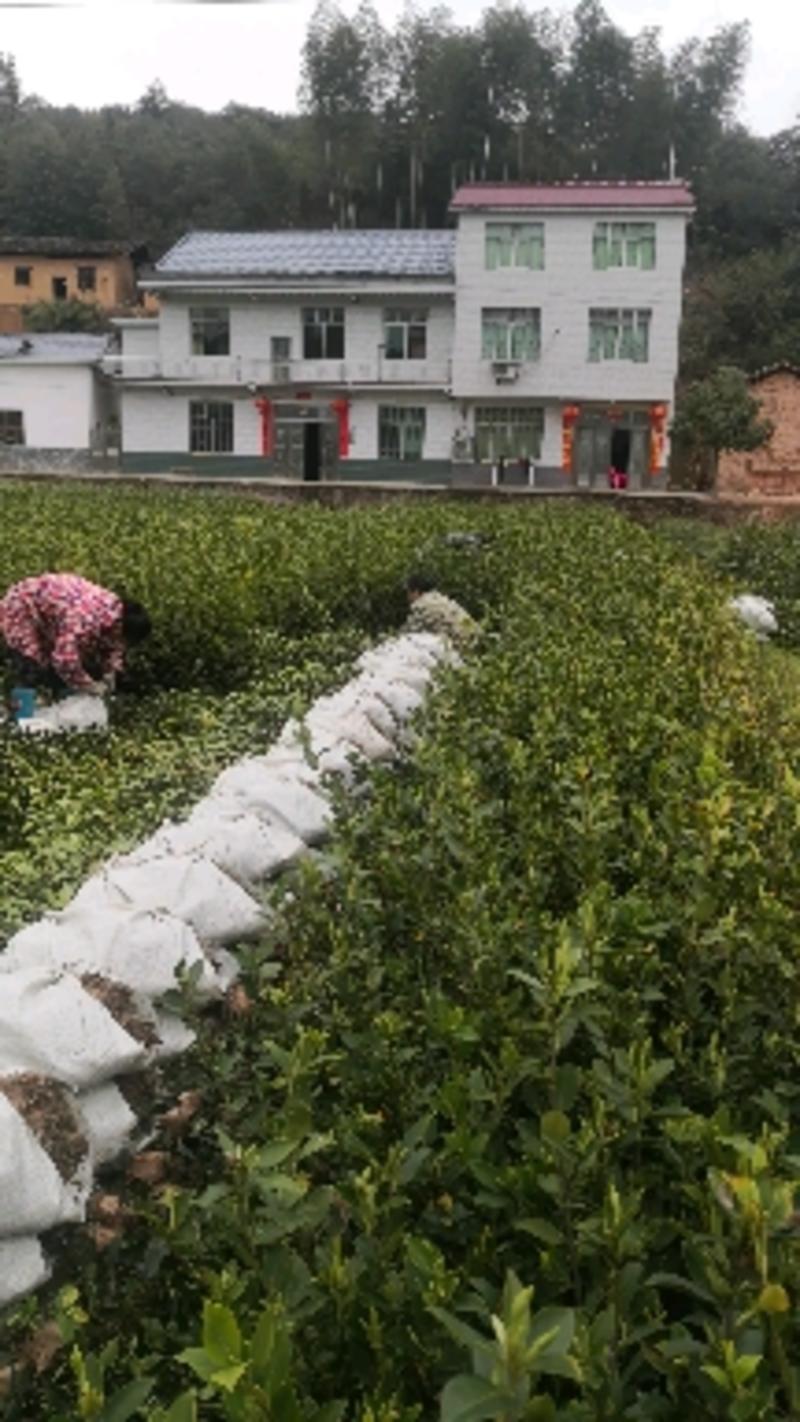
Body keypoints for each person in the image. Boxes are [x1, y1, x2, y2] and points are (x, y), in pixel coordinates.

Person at [0, 572, 151, 698]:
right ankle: (23, 717)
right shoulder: (86, 620)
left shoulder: (115, 616)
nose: (124, 645)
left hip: (51, 614)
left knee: (73, 666)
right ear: (121, 628)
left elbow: (112, 648)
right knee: (30, 666)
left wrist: (110, 671)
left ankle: (52, 703)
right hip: (23, 606)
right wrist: (89, 686)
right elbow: (64, 660)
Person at [403, 573, 478, 647]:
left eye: (408, 592)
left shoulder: (422, 604)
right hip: (475, 641)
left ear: (416, 592)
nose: (407, 597)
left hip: (461, 647)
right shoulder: (441, 598)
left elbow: (407, 633)